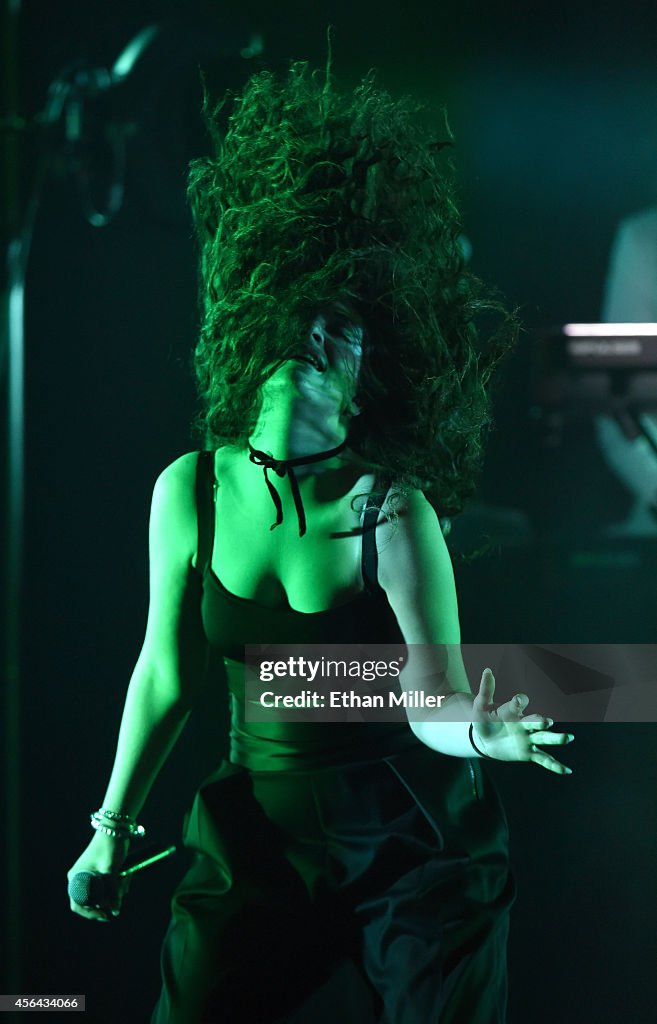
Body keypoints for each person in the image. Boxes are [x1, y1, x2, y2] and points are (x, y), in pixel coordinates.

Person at [67, 58, 574, 1023]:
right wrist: (109, 831)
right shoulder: (190, 490)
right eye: (303, 313)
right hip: (256, 834)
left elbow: (430, 693)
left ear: (372, 374)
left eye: (347, 331)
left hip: (413, 842)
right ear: (255, 319)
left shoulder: (391, 504)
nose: (318, 338)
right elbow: (164, 675)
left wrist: (482, 732)